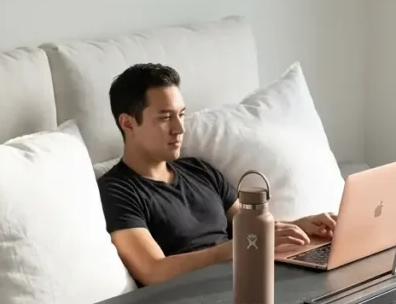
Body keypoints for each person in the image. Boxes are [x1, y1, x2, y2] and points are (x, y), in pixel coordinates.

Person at [98, 63, 336, 286]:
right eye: (164, 117)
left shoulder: (199, 170)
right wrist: (234, 249)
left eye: (180, 115)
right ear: (128, 124)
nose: (179, 129)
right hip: (201, 298)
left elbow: (253, 229)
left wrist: (301, 226)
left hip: (251, 279)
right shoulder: (116, 190)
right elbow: (153, 271)